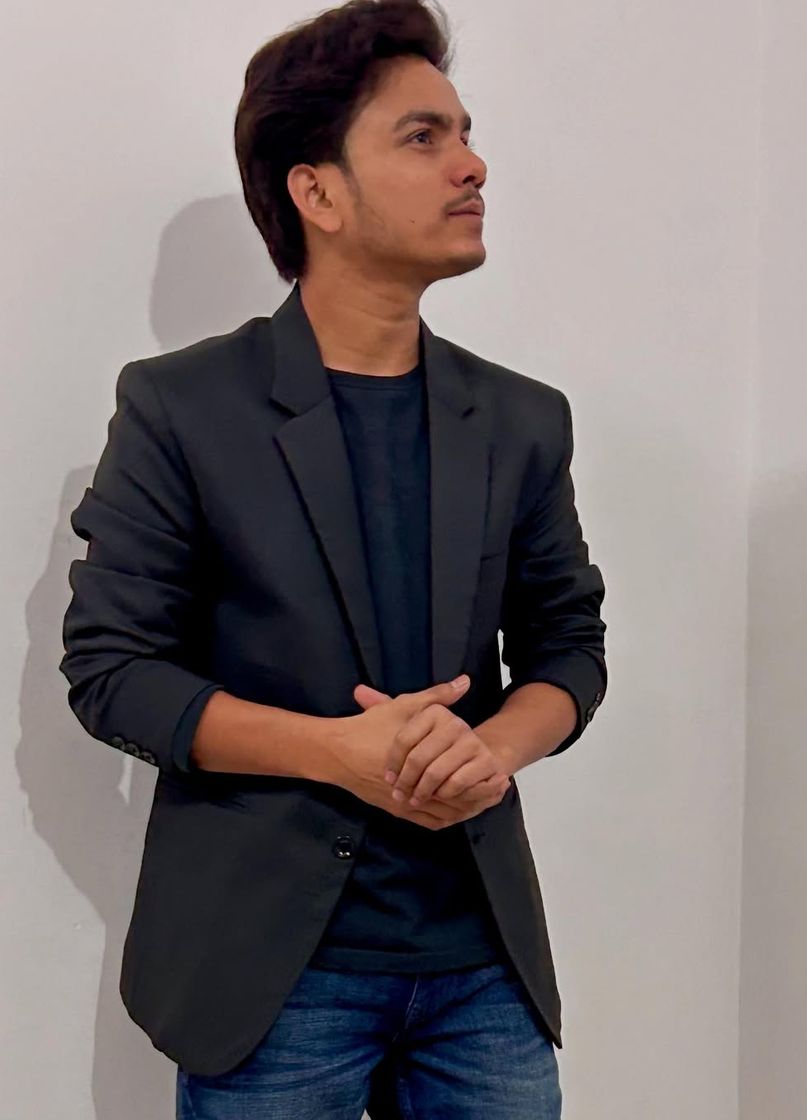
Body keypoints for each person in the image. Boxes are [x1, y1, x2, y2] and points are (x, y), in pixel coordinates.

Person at [59, 1, 607, 1116]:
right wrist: (333, 752)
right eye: (423, 136)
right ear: (317, 192)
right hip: (271, 974)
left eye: (465, 133)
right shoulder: (181, 407)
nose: (472, 164)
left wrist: (491, 748)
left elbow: (570, 648)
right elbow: (113, 672)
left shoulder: (520, 419)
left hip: (481, 968)